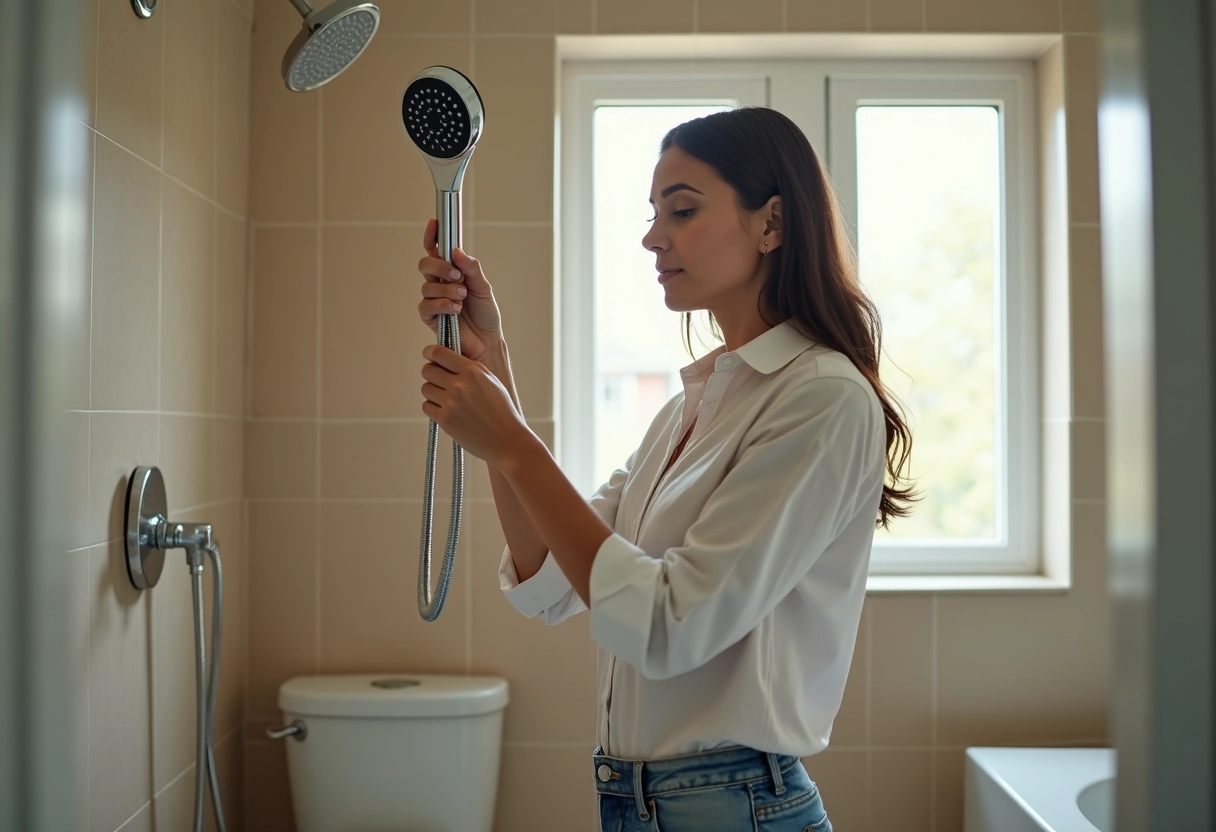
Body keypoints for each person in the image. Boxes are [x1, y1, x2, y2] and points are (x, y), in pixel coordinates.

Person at [416, 106, 916, 832]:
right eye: (653, 213)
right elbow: (549, 580)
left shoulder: (822, 398)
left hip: (735, 807)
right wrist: (492, 360)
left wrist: (514, 444)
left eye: (681, 210)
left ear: (771, 224)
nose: (653, 237)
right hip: (637, 801)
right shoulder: (695, 405)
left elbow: (668, 627)